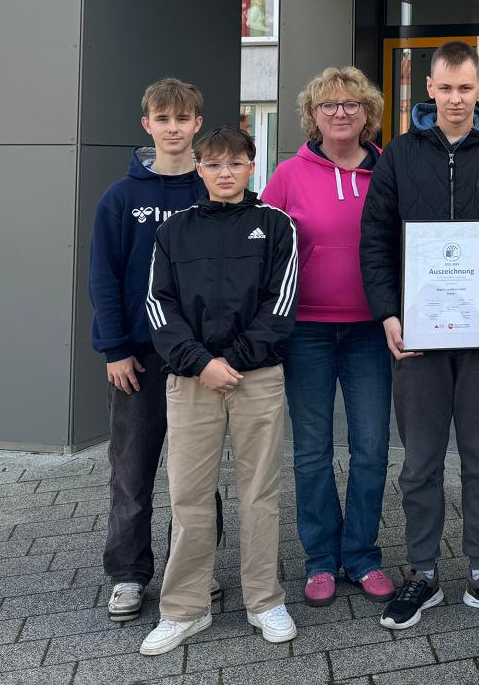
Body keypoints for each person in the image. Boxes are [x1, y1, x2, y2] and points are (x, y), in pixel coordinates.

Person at [359, 40, 479, 630]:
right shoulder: (398, 158)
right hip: (418, 337)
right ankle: (423, 574)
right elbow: (376, 242)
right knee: (420, 462)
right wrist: (388, 312)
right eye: (446, 88)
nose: (456, 99)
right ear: (428, 90)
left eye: (467, 88)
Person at [140, 126, 298, 655]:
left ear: (253, 166)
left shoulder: (277, 226)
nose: (224, 172)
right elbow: (159, 307)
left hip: (257, 378)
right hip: (191, 381)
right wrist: (201, 363)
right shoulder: (174, 231)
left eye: (235, 163)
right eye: (213, 164)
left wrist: (234, 361)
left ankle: (264, 600)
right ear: (198, 169)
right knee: (187, 494)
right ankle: (184, 609)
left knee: (260, 493)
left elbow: (282, 304)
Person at [89, 78, 224, 623]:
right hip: (139, 361)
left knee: (197, 475)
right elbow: (103, 277)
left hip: (196, 359)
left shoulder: (210, 190)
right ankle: (127, 574)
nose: (174, 128)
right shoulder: (120, 199)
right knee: (132, 470)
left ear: (197, 125)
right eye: (163, 119)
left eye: (183, 119)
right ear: (147, 125)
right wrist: (115, 348)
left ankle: (196, 569)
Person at [261, 66, 395, 608]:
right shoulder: (289, 174)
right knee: (313, 451)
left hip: (371, 330)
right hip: (306, 331)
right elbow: (262, 246)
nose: (340, 112)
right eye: (329, 105)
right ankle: (320, 557)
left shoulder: (389, 172)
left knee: (371, 448)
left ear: (368, 114)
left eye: (351, 104)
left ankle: (361, 555)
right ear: (312, 116)